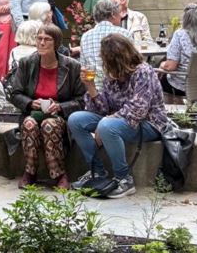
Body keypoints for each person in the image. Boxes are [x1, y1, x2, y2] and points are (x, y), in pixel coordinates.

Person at [67, 34, 169, 199]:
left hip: (149, 124)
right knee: (76, 120)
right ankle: (97, 173)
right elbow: (103, 109)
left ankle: (124, 179)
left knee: (107, 127)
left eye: (104, 55)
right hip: (118, 122)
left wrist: (107, 120)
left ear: (115, 57)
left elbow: (138, 110)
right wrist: (90, 86)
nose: (101, 58)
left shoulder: (142, 72)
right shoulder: (113, 75)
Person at [4, 23, 86, 190]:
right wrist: (29, 103)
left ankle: (59, 173)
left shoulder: (71, 66)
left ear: (56, 43)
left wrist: (60, 107)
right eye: (39, 38)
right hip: (33, 114)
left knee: (49, 124)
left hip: (59, 117)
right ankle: (30, 171)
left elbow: (81, 100)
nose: (41, 43)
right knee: (29, 124)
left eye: (47, 39)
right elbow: (15, 94)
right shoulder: (27, 63)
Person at [77, 0, 133, 72]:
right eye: (119, 13)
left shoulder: (85, 36)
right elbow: (132, 63)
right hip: (118, 78)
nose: (121, 16)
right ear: (113, 14)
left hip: (93, 79)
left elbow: (83, 67)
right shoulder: (124, 34)